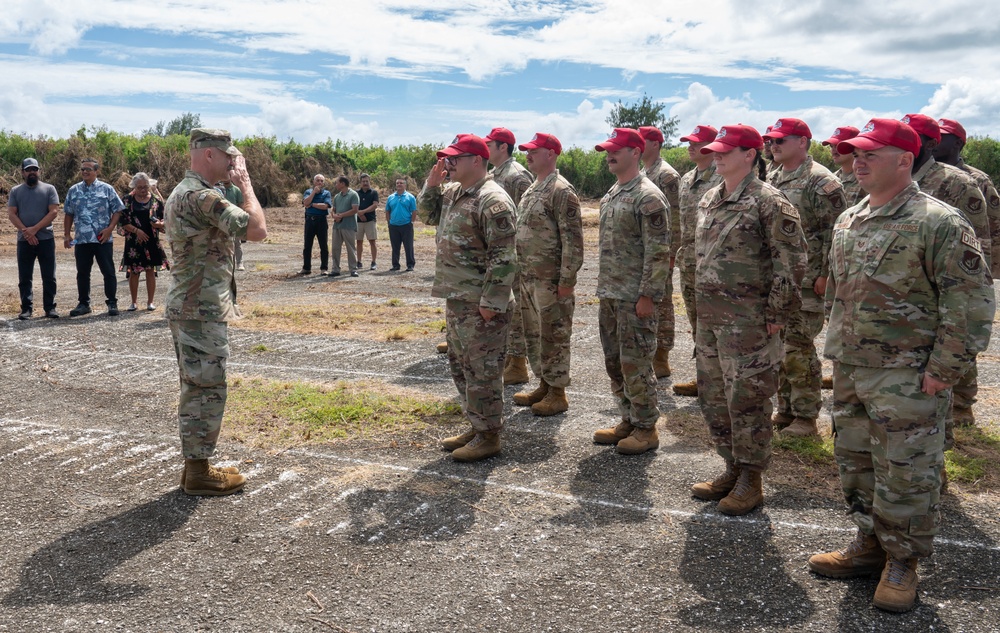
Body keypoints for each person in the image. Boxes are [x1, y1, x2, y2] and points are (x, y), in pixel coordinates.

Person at [809, 118, 994, 612]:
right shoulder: (850, 218)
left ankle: (903, 562)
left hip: (909, 375)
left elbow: (970, 303)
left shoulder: (938, 221)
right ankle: (870, 545)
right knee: (857, 463)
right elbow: (842, 295)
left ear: (904, 160)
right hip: (852, 367)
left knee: (906, 472)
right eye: (855, 153)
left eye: (870, 152)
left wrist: (943, 370)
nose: (858, 160)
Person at [689, 124, 807, 515]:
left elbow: (791, 264)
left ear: (750, 155)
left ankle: (751, 478)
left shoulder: (769, 201)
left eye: (726, 150)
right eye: (715, 150)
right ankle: (731, 466)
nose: (717, 155)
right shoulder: (709, 198)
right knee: (715, 398)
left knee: (749, 401)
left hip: (749, 322)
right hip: (710, 320)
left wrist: (776, 314)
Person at [164, 128, 267, 496]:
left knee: (198, 385)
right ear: (210, 155)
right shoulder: (201, 196)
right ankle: (199, 472)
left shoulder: (187, 192)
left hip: (194, 306)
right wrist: (248, 184)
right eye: (228, 157)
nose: (233, 163)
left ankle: (197, 466)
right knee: (206, 387)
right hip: (199, 309)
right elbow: (257, 229)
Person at [417, 133, 517, 462]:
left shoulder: (493, 199)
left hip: (481, 304)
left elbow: (504, 259)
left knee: (484, 371)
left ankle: (490, 436)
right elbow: (427, 215)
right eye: (447, 158)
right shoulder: (453, 193)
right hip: (459, 299)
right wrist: (431, 184)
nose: (449, 163)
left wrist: (491, 303)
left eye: (455, 158)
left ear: (477, 160)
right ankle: (476, 426)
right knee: (462, 368)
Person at [901, 113, 991, 433]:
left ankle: (959, 407)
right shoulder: (895, 178)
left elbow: (979, 238)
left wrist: (979, 283)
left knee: (952, 345)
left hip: (949, 284)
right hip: (909, 293)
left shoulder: (958, 182)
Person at [764, 118, 846, 438]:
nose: (773, 146)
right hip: (777, 281)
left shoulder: (821, 182)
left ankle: (806, 416)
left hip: (807, 281)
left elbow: (837, 233)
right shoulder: (771, 177)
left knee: (798, 347)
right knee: (780, 347)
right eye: (771, 141)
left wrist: (826, 274)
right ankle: (785, 410)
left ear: (802, 142)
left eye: (780, 140)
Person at [590, 128, 670, 455]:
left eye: (617, 150)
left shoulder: (647, 196)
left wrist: (648, 295)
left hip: (634, 297)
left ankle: (646, 427)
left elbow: (659, 250)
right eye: (608, 150)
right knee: (615, 362)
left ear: (636, 152)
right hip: (611, 293)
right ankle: (628, 417)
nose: (610, 155)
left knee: (636, 363)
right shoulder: (613, 193)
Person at [510, 133, 584, 416]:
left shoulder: (561, 190)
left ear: (551, 153)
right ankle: (544, 383)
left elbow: (573, 240)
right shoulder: (532, 188)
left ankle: (558, 393)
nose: (528, 154)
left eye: (534, 150)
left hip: (551, 280)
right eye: (527, 150)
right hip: (528, 277)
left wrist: (566, 280)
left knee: (554, 335)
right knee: (535, 334)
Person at [671, 125, 722, 397]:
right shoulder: (687, 179)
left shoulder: (722, 179)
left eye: (696, 142)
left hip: (714, 264)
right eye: (688, 142)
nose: (690, 146)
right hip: (689, 260)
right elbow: (679, 223)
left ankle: (720, 380)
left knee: (715, 323)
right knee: (696, 322)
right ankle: (704, 376)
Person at [485, 127, 533, 385]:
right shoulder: (493, 175)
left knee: (514, 312)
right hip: (497, 254)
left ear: (503, 147)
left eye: (489, 144)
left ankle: (518, 363)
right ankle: (507, 359)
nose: (486, 148)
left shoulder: (517, 177)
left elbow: (524, 218)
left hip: (513, 254)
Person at [638, 125, 681, 380]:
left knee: (663, 302)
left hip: (662, 251)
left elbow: (675, 218)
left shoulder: (666, 176)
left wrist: (671, 253)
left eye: (643, 141)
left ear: (655, 143)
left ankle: (662, 355)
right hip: (646, 252)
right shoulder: (644, 172)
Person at [934, 118, 1000, 281]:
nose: (935, 140)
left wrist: (992, 273)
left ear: (957, 143)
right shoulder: (922, 176)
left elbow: (995, 225)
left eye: (941, 137)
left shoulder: (978, 179)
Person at [63, 158, 125, 317]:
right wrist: (66, 234)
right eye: (82, 169)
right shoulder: (74, 190)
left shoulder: (107, 189)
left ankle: (112, 302)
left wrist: (110, 229)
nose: (84, 172)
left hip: (102, 238)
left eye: (88, 169)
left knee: (108, 271)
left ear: (96, 171)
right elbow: (68, 213)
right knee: (82, 273)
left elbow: (118, 210)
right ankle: (84, 304)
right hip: (82, 239)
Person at [7, 158, 60, 319]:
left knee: (49, 275)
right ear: (23, 172)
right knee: (25, 276)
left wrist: (34, 229)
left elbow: (54, 212)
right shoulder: (16, 191)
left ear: (39, 171)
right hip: (24, 241)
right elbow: (11, 214)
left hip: (45, 239)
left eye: (35, 169)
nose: (32, 172)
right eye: (28, 169)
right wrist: (26, 232)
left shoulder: (49, 189)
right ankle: (26, 308)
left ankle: (50, 307)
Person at [118, 172, 169, 311]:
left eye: (145, 187)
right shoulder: (127, 200)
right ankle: (134, 302)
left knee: (150, 271)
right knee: (134, 271)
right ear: (134, 186)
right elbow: (123, 221)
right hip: (134, 242)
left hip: (151, 240)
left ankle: (150, 302)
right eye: (139, 187)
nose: (142, 190)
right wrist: (137, 231)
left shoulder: (155, 201)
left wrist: (159, 224)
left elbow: (164, 218)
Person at [821, 126, 863, 207]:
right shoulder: (830, 178)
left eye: (838, 146)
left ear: (855, 147)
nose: (833, 151)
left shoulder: (866, 179)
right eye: (831, 146)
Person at [329, 175, 360, 278]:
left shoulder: (353, 195)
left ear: (343, 184)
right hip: (337, 226)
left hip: (349, 226)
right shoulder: (337, 196)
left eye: (337, 182)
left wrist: (341, 215)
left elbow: (355, 210)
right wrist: (334, 215)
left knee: (350, 248)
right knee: (335, 248)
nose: (336, 184)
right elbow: (333, 209)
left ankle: (353, 269)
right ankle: (335, 269)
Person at [301, 174, 331, 274]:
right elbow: (305, 203)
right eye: (318, 180)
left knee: (323, 246)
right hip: (310, 221)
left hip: (321, 221)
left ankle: (324, 268)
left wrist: (312, 204)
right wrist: (313, 193)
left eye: (322, 181)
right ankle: (306, 268)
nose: (320, 182)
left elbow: (325, 206)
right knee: (307, 246)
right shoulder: (308, 192)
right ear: (314, 182)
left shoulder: (326, 193)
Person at [385, 176, 417, 272]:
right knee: (395, 247)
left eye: (401, 183)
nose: (399, 184)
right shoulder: (390, 197)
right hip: (393, 225)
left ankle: (410, 265)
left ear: (405, 185)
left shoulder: (410, 197)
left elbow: (414, 211)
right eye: (397, 183)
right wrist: (389, 222)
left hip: (406, 225)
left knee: (408, 246)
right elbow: (387, 211)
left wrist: (411, 222)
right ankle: (395, 265)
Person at [217, 178, 245, 270]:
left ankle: (239, 263)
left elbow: (241, 205)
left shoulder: (236, 190)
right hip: (222, 220)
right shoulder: (219, 190)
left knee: (237, 242)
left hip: (234, 219)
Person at [355, 173, 379, 270]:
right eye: (363, 181)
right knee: (359, 241)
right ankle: (359, 261)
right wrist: (359, 214)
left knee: (372, 241)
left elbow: (375, 205)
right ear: (360, 182)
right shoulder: (356, 193)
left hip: (370, 221)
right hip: (358, 221)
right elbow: (352, 205)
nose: (365, 183)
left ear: (370, 182)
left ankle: (373, 262)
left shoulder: (374, 193)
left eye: (367, 181)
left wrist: (363, 212)